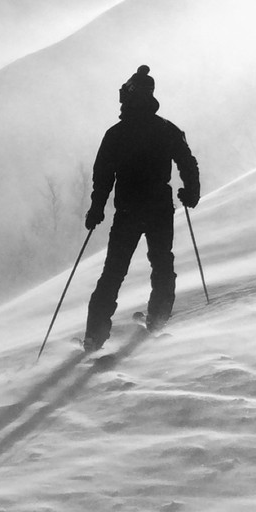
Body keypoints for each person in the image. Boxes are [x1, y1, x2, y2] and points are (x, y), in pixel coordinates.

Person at [83, 64, 199, 350]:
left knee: (113, 271)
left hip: (128, 211)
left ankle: (94, 336)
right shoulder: (167, 129)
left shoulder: (116, 134)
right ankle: (157, 319)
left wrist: (97, 209)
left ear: (129, 98)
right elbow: (187, 162)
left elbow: (103, 176)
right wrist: (191, 192)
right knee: (162, 263)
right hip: (160, 208)